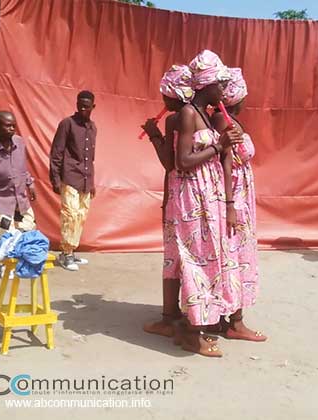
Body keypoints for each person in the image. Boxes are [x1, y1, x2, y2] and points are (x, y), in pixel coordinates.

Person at [163, 50, 243, 357]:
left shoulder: (206, 115)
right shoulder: (188, 114)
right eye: (220, 83)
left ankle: (194, 323)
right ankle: (192, 332)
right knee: (195, 260)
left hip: (208, 197)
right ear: (206, 84)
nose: (224, 89)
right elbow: (182, 161)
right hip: (191, 197)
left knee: (208, 259)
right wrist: (219, 145)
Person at [211, 67, 266, 342]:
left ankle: (228, 317)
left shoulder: (227, 118)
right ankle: (235, 321)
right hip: (234, 196)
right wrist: (231, 204)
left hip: (241, 194)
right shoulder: (223, 119)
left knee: (237, 255)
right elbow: (226, 162)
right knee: (235, 256)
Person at [141, 64, 195, 337]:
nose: (163, 100)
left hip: (179, 195)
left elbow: (170, 163)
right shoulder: (199, 114)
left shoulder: (175, 119)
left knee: (173, 256)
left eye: (165, 94)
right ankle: (183, 312)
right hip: (195, 195)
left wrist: (154, 134)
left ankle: (169, 316)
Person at [49, 90, 97, 271]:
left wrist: (91, 182)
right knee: (70, 215)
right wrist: (55, 178)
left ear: (93, 107)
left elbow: (90, 158)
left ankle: (71, 251)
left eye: (86, 106)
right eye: (80, 105)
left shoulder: (93, 127)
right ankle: (66, 254)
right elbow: (56, 152)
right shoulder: (67, 124)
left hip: (85, 178)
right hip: (69, 176)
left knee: (81, 216)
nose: (83, 108)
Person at [0, 111, 37, 239]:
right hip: (0, 203)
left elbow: (22, 168)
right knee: (7, 241)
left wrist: (30, 184)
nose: (12, 129)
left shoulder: (19, 143)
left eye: (14, 126)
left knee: (28, 236)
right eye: (8, 125)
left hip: (21, 202)